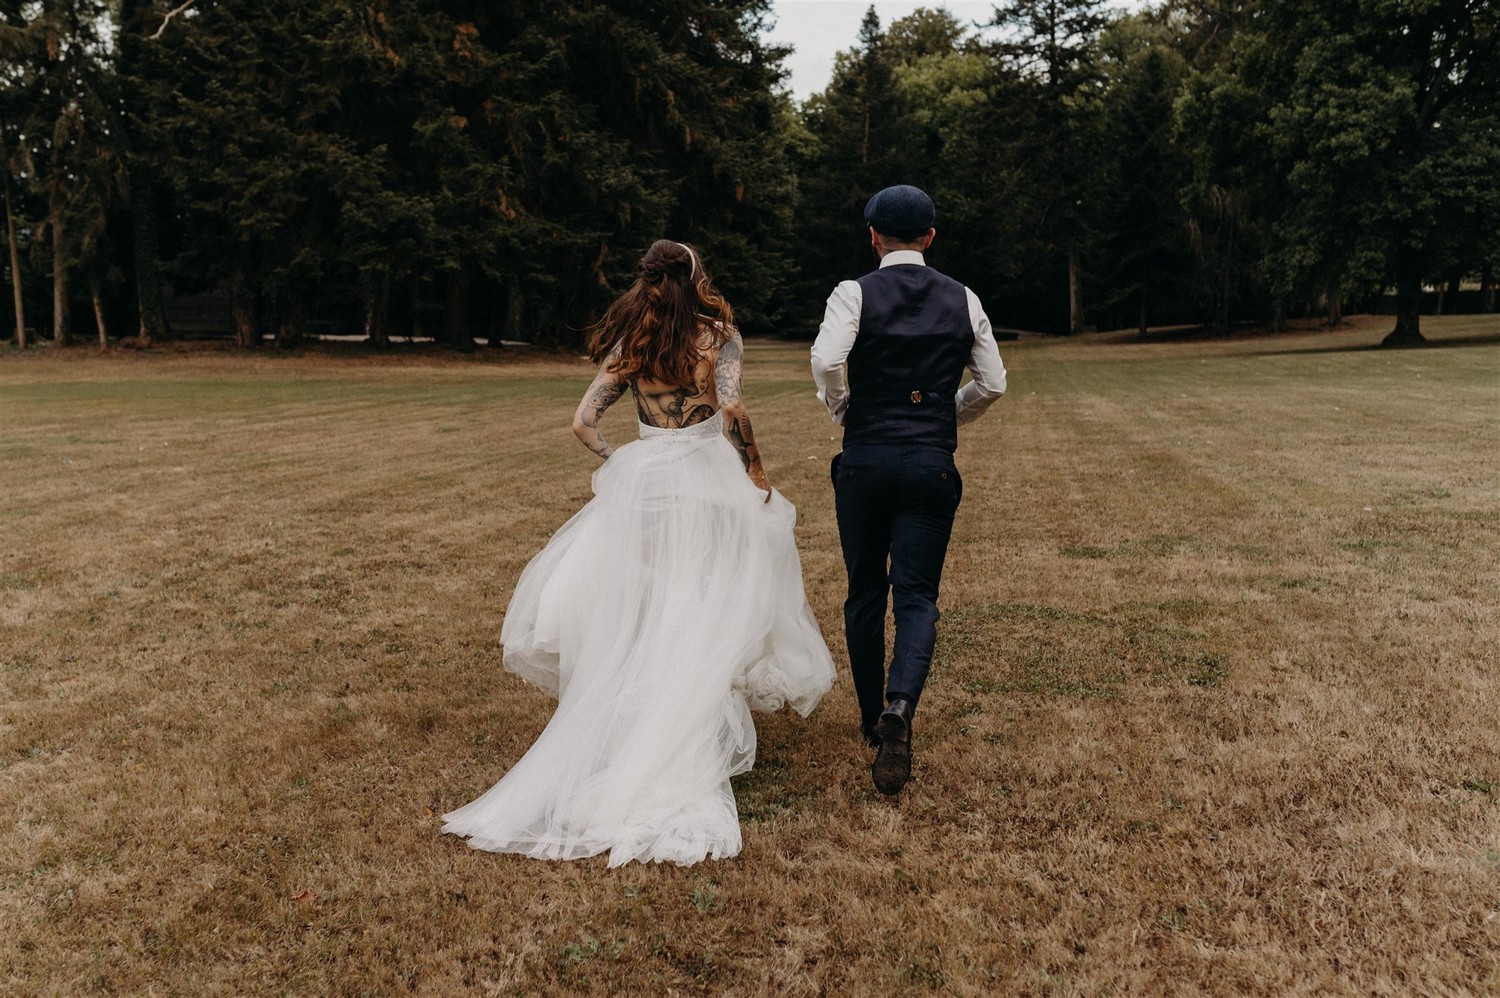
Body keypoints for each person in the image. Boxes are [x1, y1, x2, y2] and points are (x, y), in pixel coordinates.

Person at [444, 239, 834, 866]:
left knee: (650, 607)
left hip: (647, 481)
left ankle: (641, 722)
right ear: (695, 276)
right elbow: (730, 404)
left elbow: (583, 422)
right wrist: (755, 466)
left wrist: (621, 459)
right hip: (708, 473)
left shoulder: (633, 340)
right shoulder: (717, 336)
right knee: (703, 601)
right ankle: (684, 729)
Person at [811, 185, 1007, 796]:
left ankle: (873, 718)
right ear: (930, 236)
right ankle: (901, 707)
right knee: (917, 595)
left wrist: (844, 405)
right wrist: (948, 413)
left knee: (865, 589)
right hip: (930, 462)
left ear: (873, 236)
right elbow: (993, 383)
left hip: (865, 459)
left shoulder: (854, 292)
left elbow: (825, 360)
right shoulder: (964, 296)